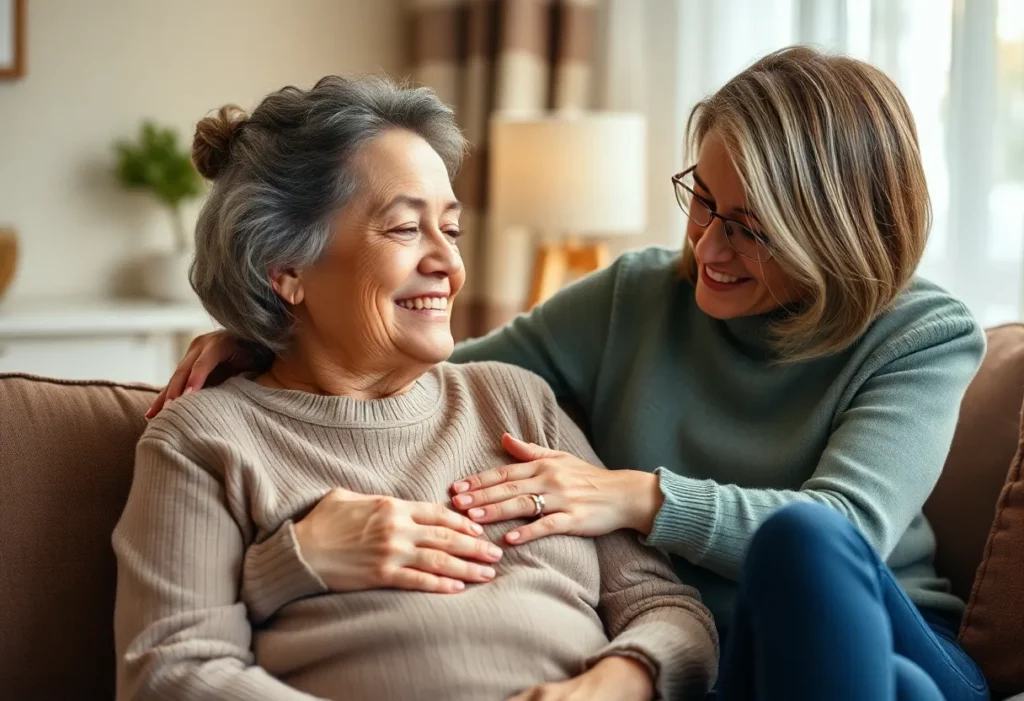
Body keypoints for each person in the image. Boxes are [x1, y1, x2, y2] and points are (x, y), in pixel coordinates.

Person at [151, 48, 990, 701]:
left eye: (750, 227)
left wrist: (635, 496)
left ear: (831, 230)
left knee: (810, 553)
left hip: (883, 626)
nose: (707, 244)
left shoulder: (922, 333)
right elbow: (422, 387)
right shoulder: (633, 299)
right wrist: (271, 337)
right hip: (744, 670)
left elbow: (848, 526)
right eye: (702, 200)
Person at [113, 76, 719, 701]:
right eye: (405, 229)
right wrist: (294, 560)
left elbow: (666, 608)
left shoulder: (516, 401)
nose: (450, 264)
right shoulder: (206, 438)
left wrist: (610, 687)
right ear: (287, 267)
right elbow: (170, 673)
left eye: (450, 231)